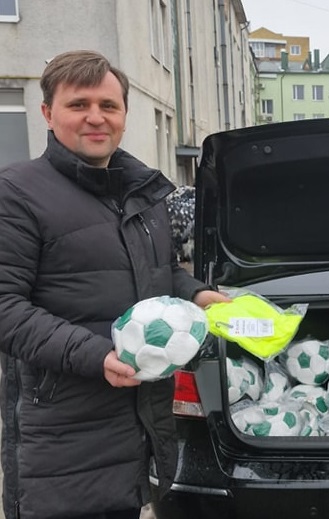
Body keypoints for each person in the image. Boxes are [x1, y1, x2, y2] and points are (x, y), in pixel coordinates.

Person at [0, 50, 230, 519]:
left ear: (124, 115)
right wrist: (97, 355)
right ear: (47, 113)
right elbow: (5, 306)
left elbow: (159, 270)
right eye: (78, 104)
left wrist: (196, 292)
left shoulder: (141, 194)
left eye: (108, 105)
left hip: (136, 421)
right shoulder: (17, 192)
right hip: (61, 435)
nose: (95, 117)